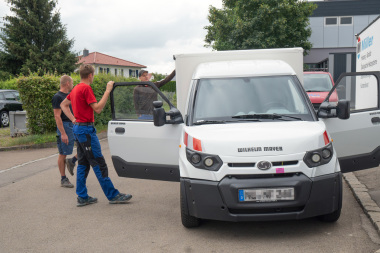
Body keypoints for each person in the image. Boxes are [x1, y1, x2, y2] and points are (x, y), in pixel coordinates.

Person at [60, 64, 132, 207]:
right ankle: (113, 195)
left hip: (78, 130)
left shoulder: (75, 89)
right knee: (99, 163)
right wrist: (107, 90)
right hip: (86, 131)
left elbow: (63, 104)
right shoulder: (86, 88)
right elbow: (98, 109)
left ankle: (82, 197)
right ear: (90, 75)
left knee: (83, 164)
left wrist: (74, 119)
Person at [52, 75, 78, 188]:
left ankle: (72, 161)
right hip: (65, 126)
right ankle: (63, 179)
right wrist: (63, 133)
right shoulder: (57, 97)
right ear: (67, 83)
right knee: (63, 153)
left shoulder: (69, 95)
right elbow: (57, 116)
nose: (73, 84)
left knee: (85, 147)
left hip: (73, 124)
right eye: (72, 82)